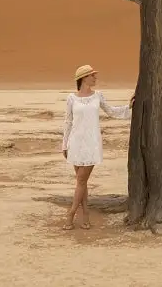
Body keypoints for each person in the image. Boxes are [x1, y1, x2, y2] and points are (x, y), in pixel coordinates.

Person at [61, 64, 134, 230]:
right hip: (75, 143)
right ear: (84, 78)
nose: (95, 78)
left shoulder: (98, 96)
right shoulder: (71, 98)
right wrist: (64, 144)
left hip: (92, 144)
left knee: (80, 181)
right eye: (92, 75)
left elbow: (111, 111)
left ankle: (71, 213)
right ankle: (86, 216)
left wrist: (129, 107)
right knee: (82, 182)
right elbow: (68, 122)